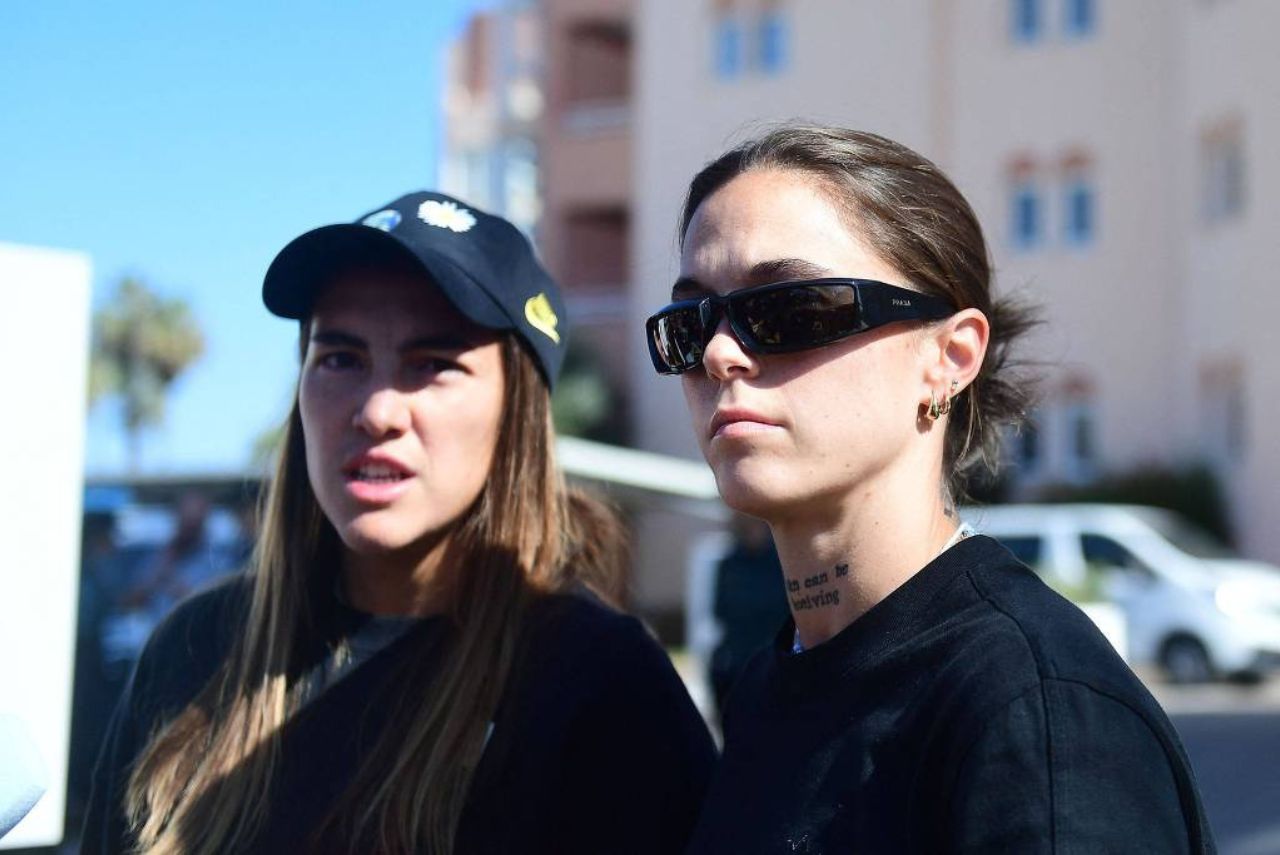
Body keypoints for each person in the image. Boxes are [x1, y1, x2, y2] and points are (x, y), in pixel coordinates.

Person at [84, 191, 715, 854]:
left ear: (517, 413)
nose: (378, 409)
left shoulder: (600, 686)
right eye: (341, 358)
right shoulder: (194, 648)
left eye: (432, 364)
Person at [645, 126, 1216, 853]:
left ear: (949, 357)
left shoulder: (1033, 709)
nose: (722, 353)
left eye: (788, 310)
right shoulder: (772, 680)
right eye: (688, 327)